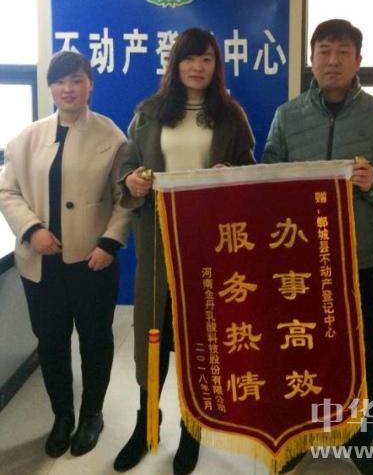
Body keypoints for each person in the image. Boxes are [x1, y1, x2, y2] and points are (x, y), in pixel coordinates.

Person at [262, 19, 373, 474]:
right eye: (323, 51)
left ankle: (358, 436)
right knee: (299, 348)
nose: (332, 61)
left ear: (358, 60)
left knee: (358, 353)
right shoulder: (288, 115)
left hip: (358, 259)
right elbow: (268, 173)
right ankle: (301, 434)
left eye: (343, 52)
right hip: (299, 260)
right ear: (311, 59)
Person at [114, 27, 256, 475]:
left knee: (200, 336)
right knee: (151, 333)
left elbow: (251, 173)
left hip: (209, 244)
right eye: (189, 59)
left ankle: (192, 428)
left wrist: (231, 174)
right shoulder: (150, 112)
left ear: (217, 66)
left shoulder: (231, 116)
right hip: (157, 240)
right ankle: (146, 422)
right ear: (175, 65)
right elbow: (126, 166)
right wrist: (132, 181)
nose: (197, 67)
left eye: (206, 59)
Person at [0, 51, 130, 458]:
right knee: (51, 343)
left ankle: (92, 414)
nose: (68, 89)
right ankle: (62, 415)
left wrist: (109, 243)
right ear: (50, 87)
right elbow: (7, 190)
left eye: (77, 80)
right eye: (60, 81)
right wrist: (31, 229)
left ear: (90, 85)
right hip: (42, 264)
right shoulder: (28, 137)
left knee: (95, 340)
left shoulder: (112, 137)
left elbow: (125, 198)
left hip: (93, 261)